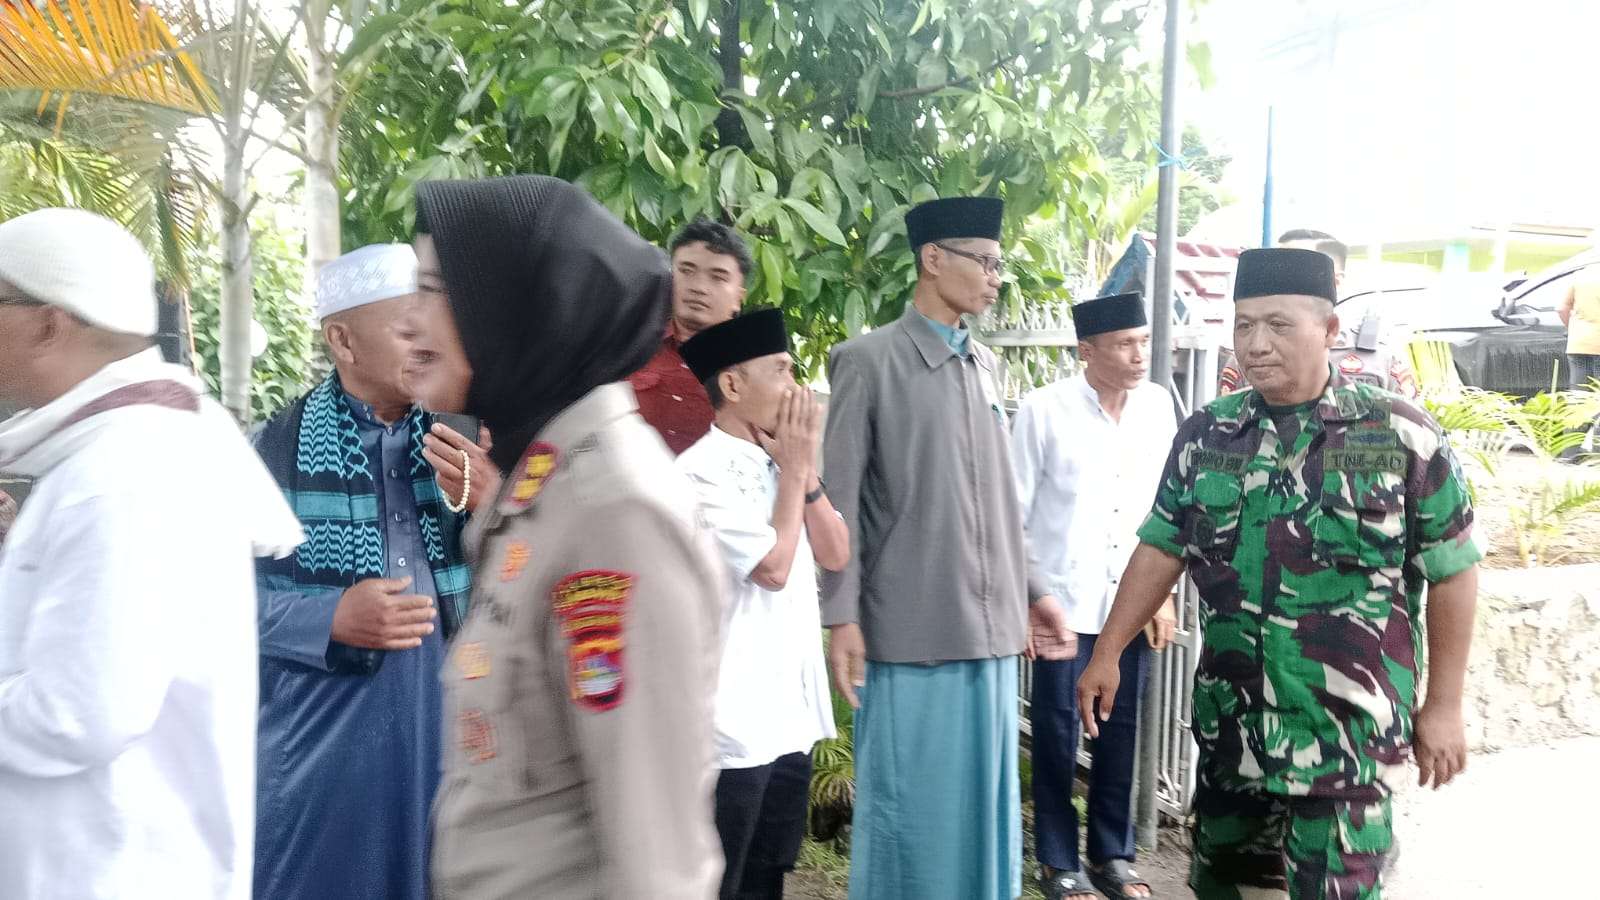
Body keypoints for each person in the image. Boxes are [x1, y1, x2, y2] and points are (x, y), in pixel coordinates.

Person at [1078, 247, 1481, 899]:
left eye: (1278, 325)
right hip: (1234, 730)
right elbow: (1161, 547)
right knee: (1229, 888)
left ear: (1329, 329)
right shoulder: (1210, 434)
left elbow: (1454, 569)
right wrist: (1108, 651)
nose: (1255, 344)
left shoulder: (1397, 433)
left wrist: (1444, 705)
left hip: (1345, 737)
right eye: (1243, 325)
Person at [400, 174, 727, 898]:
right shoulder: (542, 485)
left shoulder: (616, 513)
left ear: (515, 306)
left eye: (431, 290)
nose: (407, 322)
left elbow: (659, 867)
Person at [0, 209, 303, 899]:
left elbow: (79, 715)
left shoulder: (123, 471)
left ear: (48, 324)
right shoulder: (120, 450)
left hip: (108, 873)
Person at [822, 195, 1074, 899]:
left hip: (990, 638)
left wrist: (1035, 592)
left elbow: (1001, 501)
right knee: (912, 821)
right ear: (932, 259)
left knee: (983, 819)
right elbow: (838, 502)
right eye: (985, 263)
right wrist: (841, 615)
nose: (996, 278)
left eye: (999, 264)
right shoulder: (867, 362)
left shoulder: (984, 365)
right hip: (911, 636)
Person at [250, 244, 485, 900]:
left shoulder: (465, 439)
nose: (426, 346)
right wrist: (329, 617)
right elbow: (211, 602)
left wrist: (490, 496)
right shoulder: (270, 452)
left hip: (447, 730)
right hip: (323, 746)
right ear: (343, 341)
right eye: (407, 330)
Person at [677, 308, 852, 899]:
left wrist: (802, 475)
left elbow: (836, 552)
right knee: (722, 881)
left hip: (788, 717)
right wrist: (796, 467)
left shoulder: (782, 463)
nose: (795, 387)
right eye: (780, 370)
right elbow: (773, 569)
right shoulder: (697, 474)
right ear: (732, 385)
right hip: (731, 726)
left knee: (770, 873)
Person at [1010, 292, 1178, 900]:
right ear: (1087, 350)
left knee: (1121, 730)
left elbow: (1168, 510)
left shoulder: (1157, 407)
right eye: (1124, 344)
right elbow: (1013, 513)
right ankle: (1058, 860)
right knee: (1057, 735)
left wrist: (1162, 596)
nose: (1139, 355)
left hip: (1130, 604)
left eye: (1143, 341)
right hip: (1061, 604)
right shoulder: (1043, 410)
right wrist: (1027, 600)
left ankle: (1112, 854)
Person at [1219, 230, 1418, 399]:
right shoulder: (1250, 356)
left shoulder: (1379, 356)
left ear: (1335, 281)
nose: (1279, 275)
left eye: (1295, 267)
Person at [629, 217, 752, 454]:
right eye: (686, 271)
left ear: (739, 297)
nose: (698, 287)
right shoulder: (629, 344)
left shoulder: (757, 370)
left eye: (718, 277)